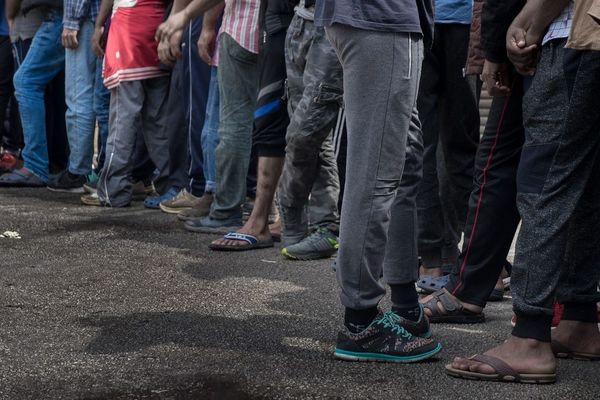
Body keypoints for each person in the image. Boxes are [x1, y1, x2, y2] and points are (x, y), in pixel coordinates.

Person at [447, 0, 600, 383]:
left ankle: (529, 337)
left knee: (544, 181)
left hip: (576, 34)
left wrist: (528, 21)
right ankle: (579, 319)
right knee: (586, 185)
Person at [314, 0, 442, 362]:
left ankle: (402, 303)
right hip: (379, 20)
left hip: (384, 20)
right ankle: (361, 323)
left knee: (403, 161)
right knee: (374, 178)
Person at [419, 0, 526, 322]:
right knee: (422, 147)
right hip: (423, 21)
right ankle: (435, 260)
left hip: (470, 25)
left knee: (475, 153)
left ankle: (483, 274)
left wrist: (491, 46)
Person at [207, 0, 294, 251]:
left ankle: (237, 213)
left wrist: (185, 18)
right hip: (278, 25)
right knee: (286, 125)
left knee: (258, 124)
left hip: (259, 30)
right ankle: (278, 217)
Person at [80, 0, 170, 207]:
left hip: (129, 26)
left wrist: (99, 25)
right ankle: (171, 185)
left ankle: (115, 189)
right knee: (158, 120)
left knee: (123, 117)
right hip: (159, 25)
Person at [416, 0, 481, 280]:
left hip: (437, 20)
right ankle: (470, 259)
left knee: (428, 145)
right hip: (438, 19)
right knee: (454, 146)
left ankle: (437, 258)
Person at [0, 0, 66, 187]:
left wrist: (10, 16)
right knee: (62, 97)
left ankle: (37, 165)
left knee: (25, 82)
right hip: (56, 18)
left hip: (45, 21)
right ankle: (63, 165)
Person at [46, 0, 110, 193]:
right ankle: (102, 171)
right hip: (106, 18)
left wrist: (72, 21)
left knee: (79, 96)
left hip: (87, 19)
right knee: (102, 99)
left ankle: (79, 172)